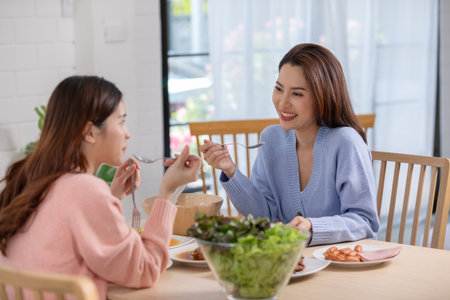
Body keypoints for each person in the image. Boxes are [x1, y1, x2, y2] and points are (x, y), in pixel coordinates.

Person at [0, 76, 201, 299]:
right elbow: (146, 268)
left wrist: (110, 195)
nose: (128, 133)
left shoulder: (29, 177)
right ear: (89, 132)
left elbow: (64, 228)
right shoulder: (84, 191)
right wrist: (167, 192)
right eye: (122, 121)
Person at [200, 43, 379, 246]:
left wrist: (312, 228)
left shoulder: (346, 142)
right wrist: (230, 170)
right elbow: (263, 216)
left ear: (323, 96)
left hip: (343, 265)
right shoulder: (271, 139)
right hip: (294, 263)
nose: (282, 102)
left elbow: (365, 222)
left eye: (297, 94)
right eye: (279, 89)